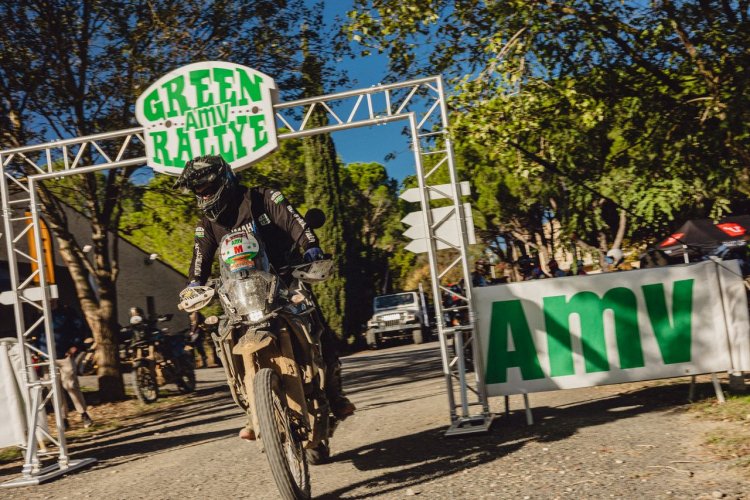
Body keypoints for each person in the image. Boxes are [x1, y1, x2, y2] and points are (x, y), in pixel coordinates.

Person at [173, 154, 355, 441]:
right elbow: (199, 260)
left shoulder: (262, 197)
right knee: (223, 335)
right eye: (199, 191)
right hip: (239, 295)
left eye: (207, 188)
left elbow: (294, 221)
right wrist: (194, 284)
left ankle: (334, 396)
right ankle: (251, 407)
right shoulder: (206, 225)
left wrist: (310, 247)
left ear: (225, 179)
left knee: (318, 326)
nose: (204, 195)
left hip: (284, 281)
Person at [35, 300, 94, 429]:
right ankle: (63, 418)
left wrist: (75, 346)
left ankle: (83, 414)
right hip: (47, 358)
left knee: (71, 385)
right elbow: (37, 334)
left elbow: (80, 329)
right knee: (54, 390)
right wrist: (37, 352)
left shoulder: (67, 312)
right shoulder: (40, 313)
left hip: (65, 356)